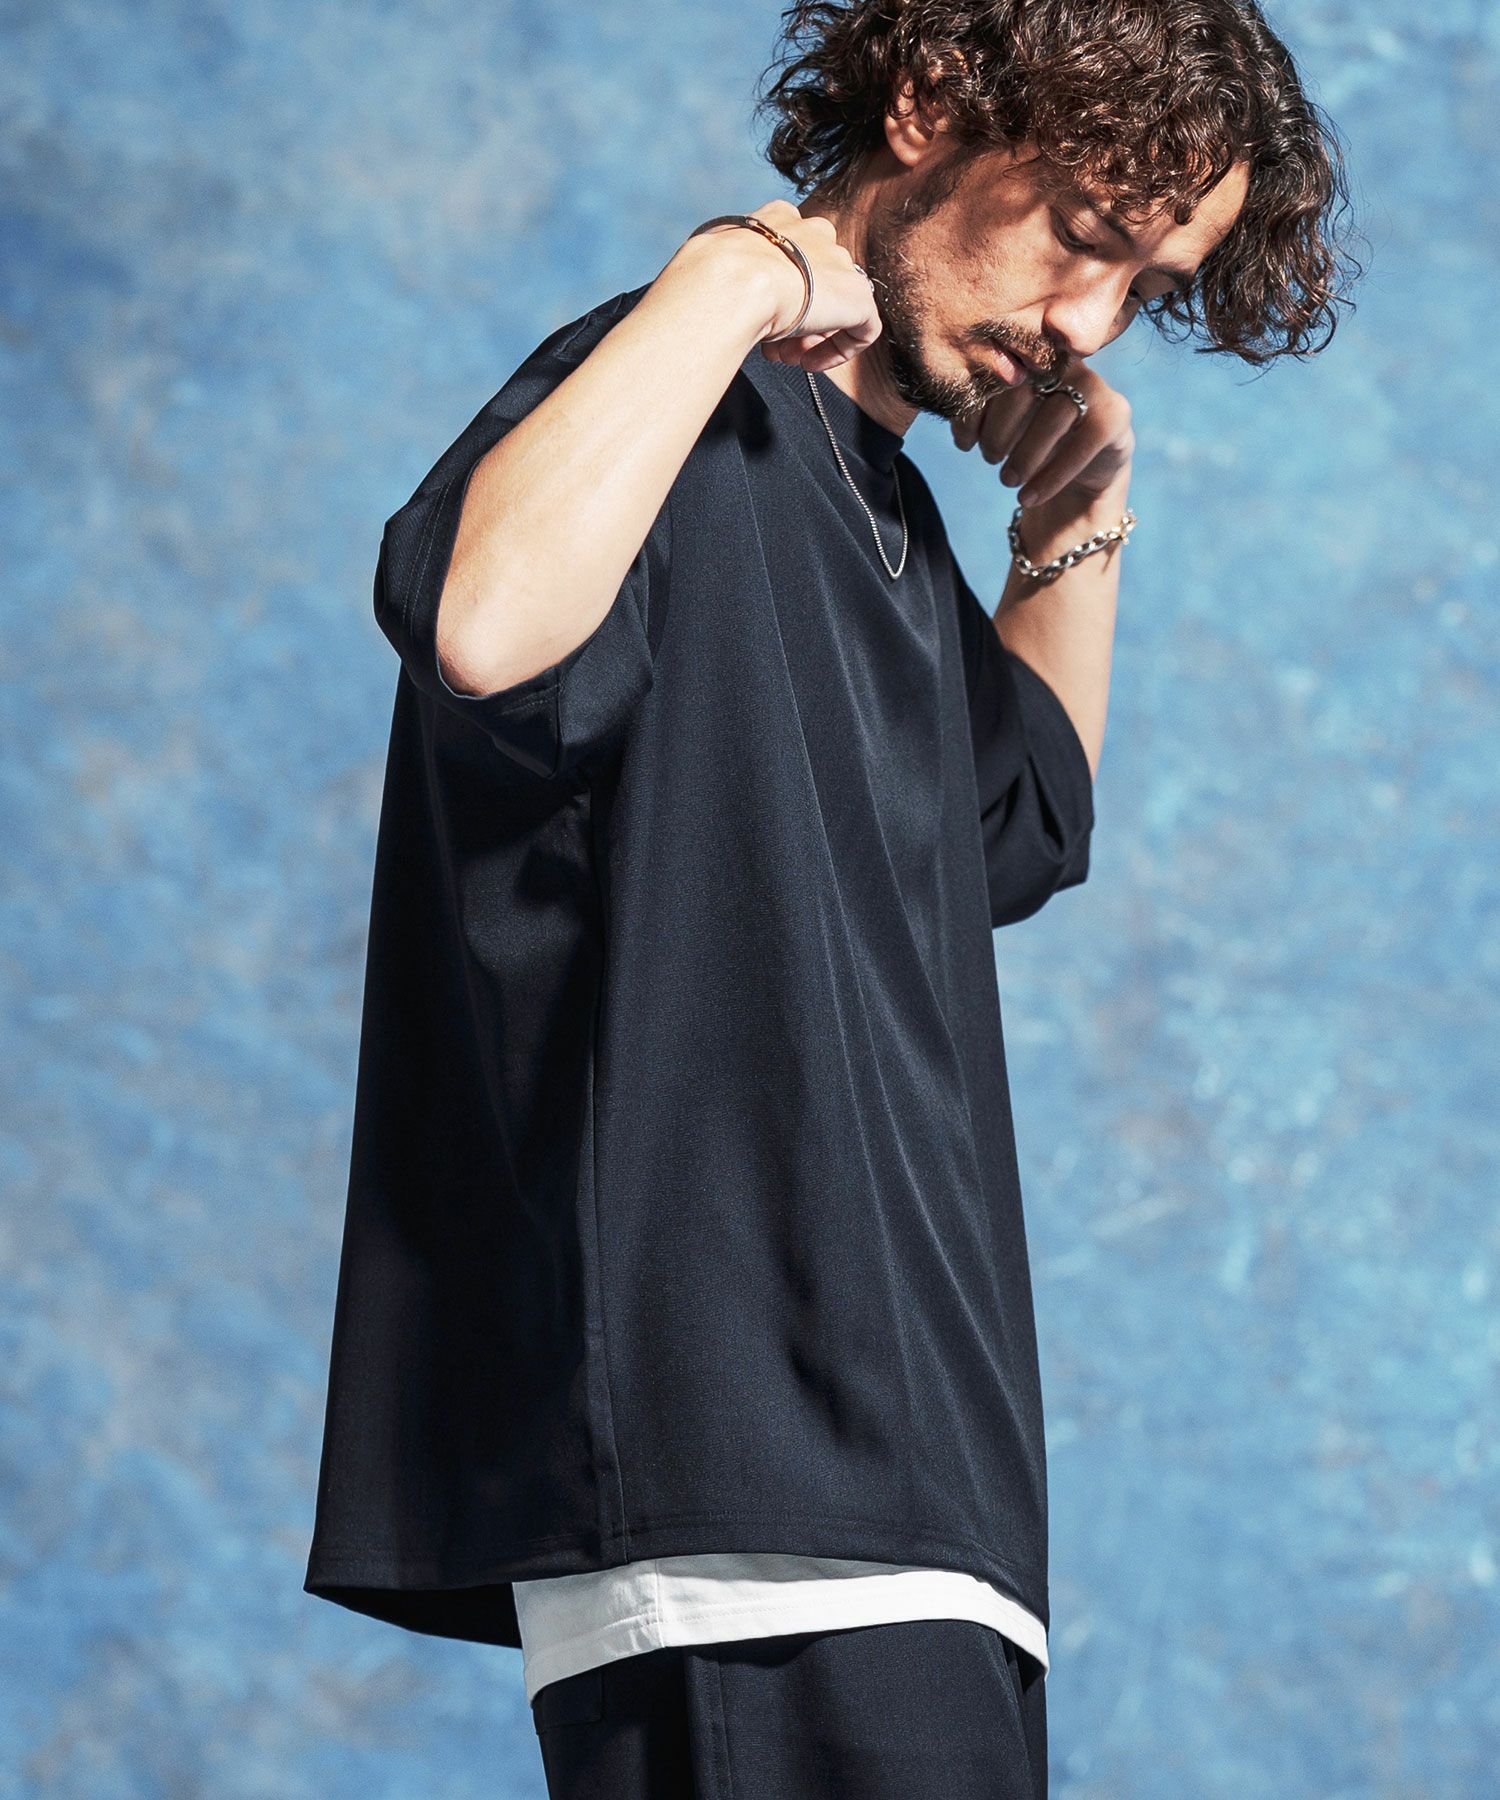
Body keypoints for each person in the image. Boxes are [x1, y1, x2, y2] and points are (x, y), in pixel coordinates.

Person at [303, 2, 1357, 1792]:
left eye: (1148, 286)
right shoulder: (674, 395)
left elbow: (1018, 830)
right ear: (931, 97)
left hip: (922, 1504)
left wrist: (1072, 531)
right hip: (750, 1501)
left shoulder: (883, 513)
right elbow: (481, 622)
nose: (1090, 325)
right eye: (1084, 234)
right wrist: (732, 270)